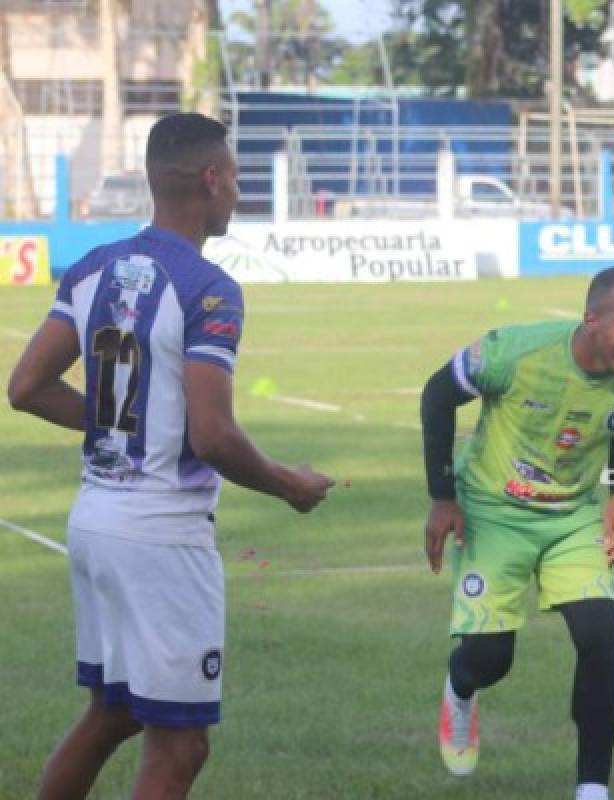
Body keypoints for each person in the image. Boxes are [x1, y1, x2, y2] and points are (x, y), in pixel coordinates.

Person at [6, 112, 334, 800]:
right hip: (161, 536)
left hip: (94, 520)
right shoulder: (208, 288)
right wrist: (288, 485)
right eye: (237, 177)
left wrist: (108, 426)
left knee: (114, 712)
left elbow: (26, 387)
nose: (239, 192)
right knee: (180, 743)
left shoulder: (93, 268)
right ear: (211, 180)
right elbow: (213, 435)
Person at [420, 266, 614, 800]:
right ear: (591, 321)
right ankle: (461, 689)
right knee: (490, 659)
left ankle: (593, 788)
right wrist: (443, 497)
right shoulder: (513, 353)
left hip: (572, 515)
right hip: (491, 510)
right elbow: (437, 395)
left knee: (603, 633)